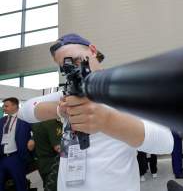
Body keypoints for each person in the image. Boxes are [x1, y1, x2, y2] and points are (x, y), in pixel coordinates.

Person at [18, 33, 173, 191]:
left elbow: (166, 143)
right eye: (65, 66)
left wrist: (107, 121)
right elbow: (24, 111)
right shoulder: (68, 94)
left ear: (93, 51)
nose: (74, 69)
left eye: (77, 60)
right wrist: (60, 109)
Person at [0, 97, 33, 191]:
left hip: (16, 157)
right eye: (3, 106)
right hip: (2, 157)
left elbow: (37, 131)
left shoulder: (25, 119)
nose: (3, 108)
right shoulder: (2, 121)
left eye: (6, 106)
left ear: (15, 106)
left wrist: (32, 139)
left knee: (20, 184)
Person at [31, 119, 62, 191]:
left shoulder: (35, 123)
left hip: (42, 163)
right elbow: (58, 147)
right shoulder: (52, 122)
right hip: (53, 164)